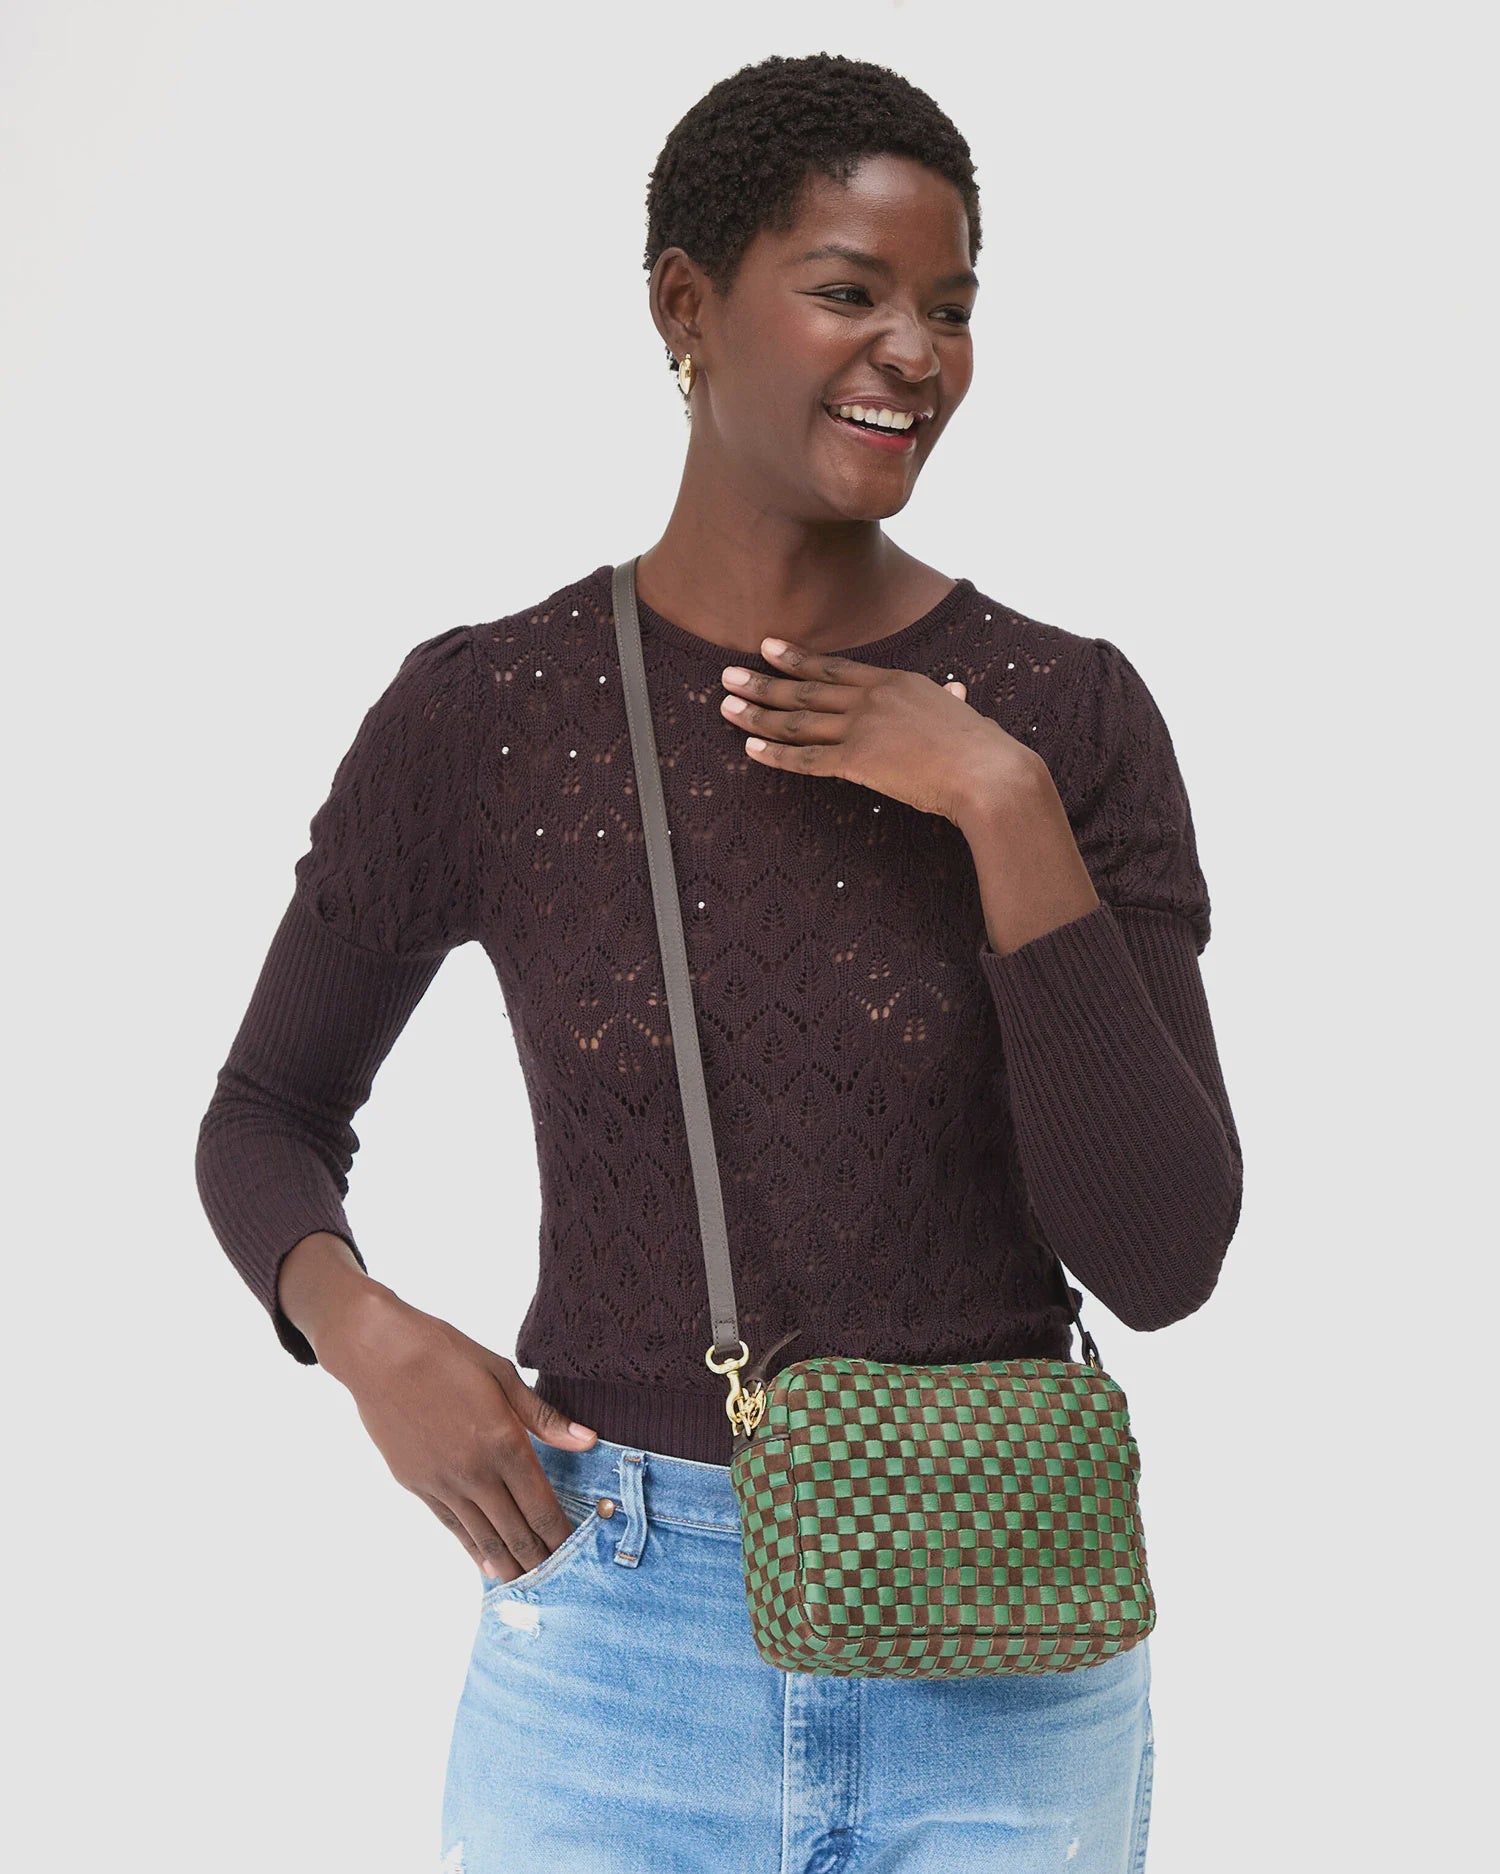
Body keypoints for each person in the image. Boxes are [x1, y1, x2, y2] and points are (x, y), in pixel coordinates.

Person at [195, 50, 1241, 1874]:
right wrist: (358, 1331)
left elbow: (1162, 1255)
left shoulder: (1066, 717)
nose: (915, 350)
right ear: (686, 305)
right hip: (609, 1638)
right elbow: (268, 1110)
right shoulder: (492, 714)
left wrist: (1000, 808)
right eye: (851, 290)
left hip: (1003, 1643)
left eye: (952, 306)